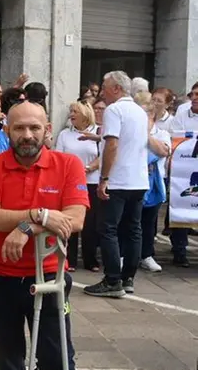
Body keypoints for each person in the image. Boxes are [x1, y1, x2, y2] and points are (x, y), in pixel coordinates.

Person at [0, 101, 88, 370]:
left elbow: (75, 219)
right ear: (6, 130)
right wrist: (42, 214)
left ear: (47, 129)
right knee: (9, 360)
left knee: (57, 359)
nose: (27, 135)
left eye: (34, 127)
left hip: (50, 276)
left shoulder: (68, 164)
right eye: (19, 128)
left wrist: (29, 227)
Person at [84, 71, 149, 298]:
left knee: (108, 229)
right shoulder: (140, 112)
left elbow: (112, 144)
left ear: (116, 89)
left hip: (119, 180)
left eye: (105, 86)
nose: (102, 91)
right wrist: (96, 139)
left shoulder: (114, 109)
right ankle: (128, 277)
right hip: (138, 179)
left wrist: (104, 178)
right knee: (133, 229)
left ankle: (112, 280)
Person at [55, 101, 101, 272]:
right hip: (70, 183)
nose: (71, 114)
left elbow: (104, 155)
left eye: (75, 111)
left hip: (91, 182)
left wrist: (89, 168)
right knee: (70, 220)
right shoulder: (65, 135)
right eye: (70, 111)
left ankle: (90, 259)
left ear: (85, 113)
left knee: (90, 223)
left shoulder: (97, 133)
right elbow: (59, 157)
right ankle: (70, 259)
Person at [136, 99, 170, 273]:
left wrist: (146, 135)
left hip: (154, 184)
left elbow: (163, 151)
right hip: (135, 182)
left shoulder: (162, 133)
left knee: (149, 222)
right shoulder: (133, 134)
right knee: (131, 222)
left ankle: (146, 255)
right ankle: (127, 256)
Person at [167, 81, 198, 267]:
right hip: (186, 166)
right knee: (181, 202)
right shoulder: (182, 111)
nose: (193, 98)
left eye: (197, 95)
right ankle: (179, 250)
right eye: (192, 94)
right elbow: (176, 136)